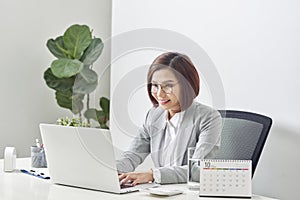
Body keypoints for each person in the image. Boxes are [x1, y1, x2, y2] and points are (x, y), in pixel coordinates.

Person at [117, 52, 222, 185]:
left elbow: (198, 170)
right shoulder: (154, 115)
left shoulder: (208, 118)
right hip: (160, 192)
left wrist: (152, 175)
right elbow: (132, 155)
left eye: (168, 86)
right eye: (155, 85)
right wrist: (112, 171)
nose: (159, 94)